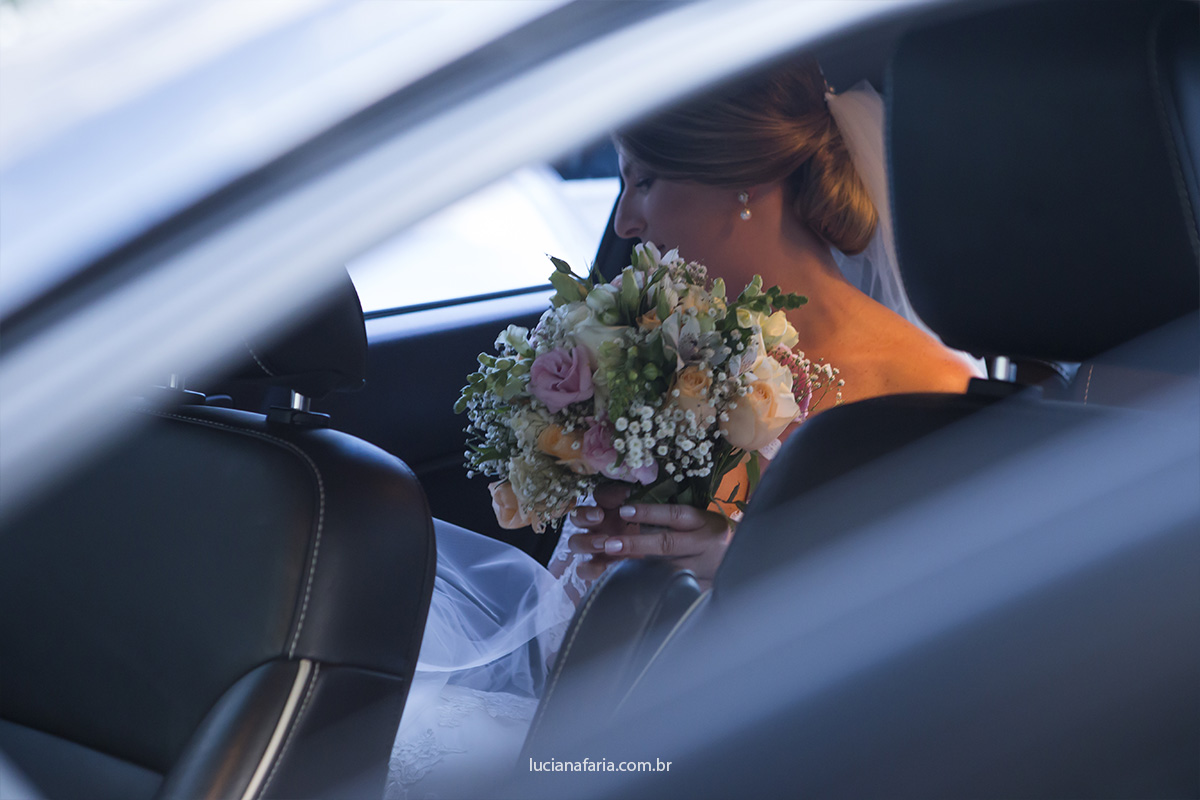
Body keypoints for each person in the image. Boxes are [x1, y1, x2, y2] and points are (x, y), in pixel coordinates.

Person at [387, 57, 979, 799]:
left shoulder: (923, 390)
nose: (625, 221)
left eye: (645, 182)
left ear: (745, 183)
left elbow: (923, 643)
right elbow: (578, 607)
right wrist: (598, 550)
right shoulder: (651, 344)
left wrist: (736, 567)